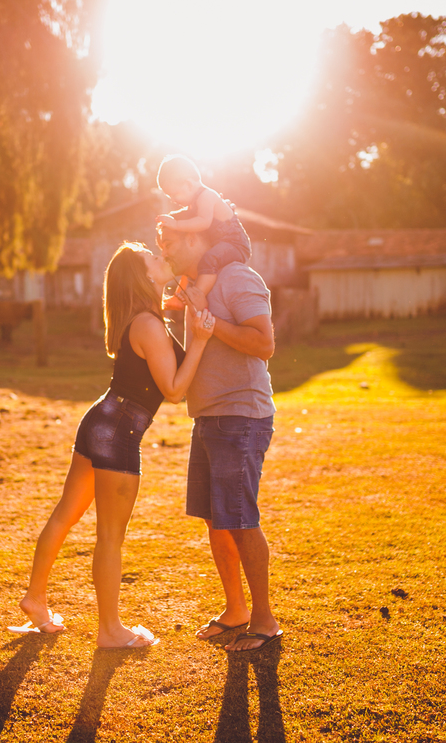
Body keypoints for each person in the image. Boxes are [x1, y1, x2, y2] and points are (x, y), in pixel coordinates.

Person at [10, 242, 217, 649]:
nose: (161, 257)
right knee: (109, 535)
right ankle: (109, 631)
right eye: (151, 258)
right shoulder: (148, 325)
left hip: (101, 420)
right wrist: (201, 342)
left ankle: (35, 598)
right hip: (118, 429)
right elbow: (174, 391)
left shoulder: (141, 319)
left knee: (64, 517)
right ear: (143, 277)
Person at [157, 211, 283, 652]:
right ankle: (236, 610)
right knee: (215, 517)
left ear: (196, 239)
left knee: (240, 516)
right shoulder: (192, 289)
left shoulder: (237, 278)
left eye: (169, 241)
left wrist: (211, 322)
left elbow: (264, 344)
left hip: (241, 415)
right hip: (207, 414)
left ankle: (264, 621)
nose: (164, 250)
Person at [155, 156, 252, 311]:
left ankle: (198, 293)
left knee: (209, 259)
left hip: (235, 244)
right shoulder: (195, 201)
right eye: (170, 197)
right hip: (222, 243)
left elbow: (203, 221)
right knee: (191, 261)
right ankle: (179, 297)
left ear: (188, 184)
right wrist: (171, 218)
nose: (174, 199)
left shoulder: (207, 196)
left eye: (175, 194)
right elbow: (187, 214)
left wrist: (177, 224)